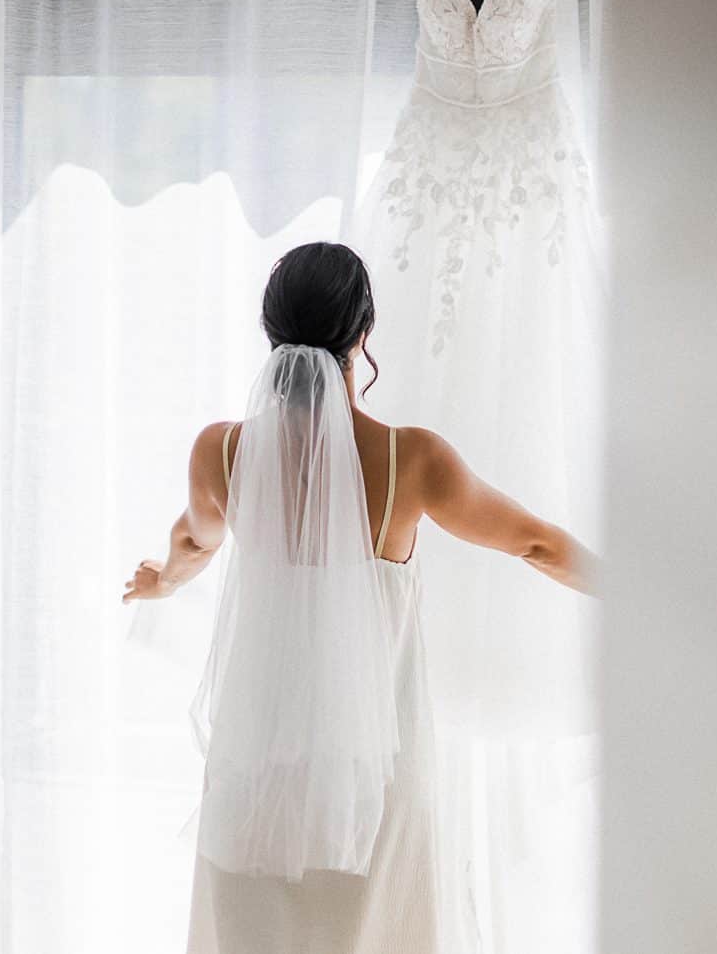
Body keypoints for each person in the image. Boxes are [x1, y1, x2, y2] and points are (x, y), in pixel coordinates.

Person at [121, 241, 591, 954]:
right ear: (363, 335)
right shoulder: (413, 459)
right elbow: (537, 543)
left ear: (271, 334)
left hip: (257, 764)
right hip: (376, 772)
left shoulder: (220, 452)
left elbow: (193, 541)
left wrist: (162, 580)